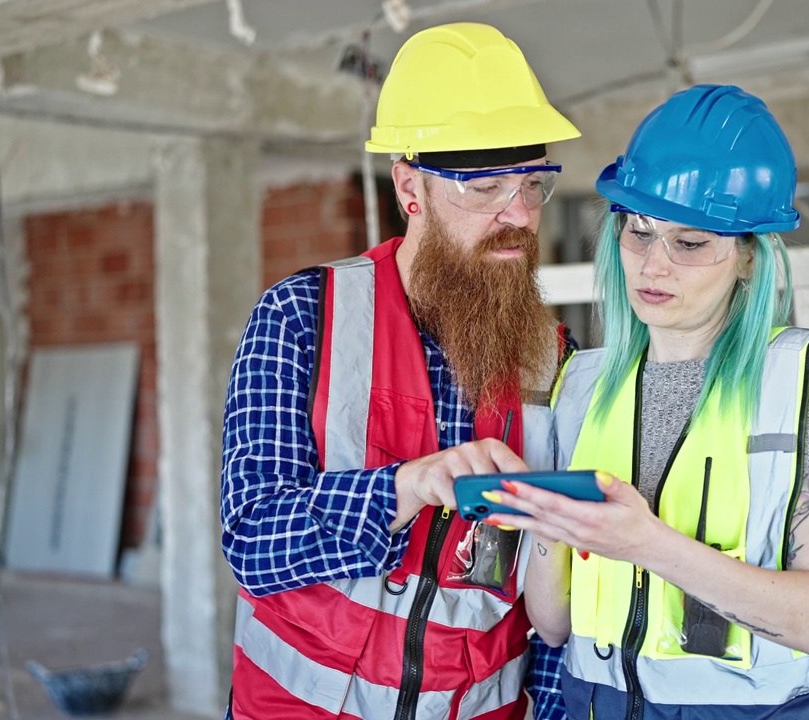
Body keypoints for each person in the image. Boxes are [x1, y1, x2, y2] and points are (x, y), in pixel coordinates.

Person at [480, 85, 809, 719]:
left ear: (750, 257)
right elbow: (554, 623)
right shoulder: (582, 385)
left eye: (691, 243)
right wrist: (543, 518)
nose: (653, 265)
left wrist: (646, 543)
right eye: (637, 232)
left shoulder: (800, 378)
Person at [219, 22, 581, 720]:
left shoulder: (552, 359)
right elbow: (253, 540)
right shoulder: (303, 318)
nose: (520, 216)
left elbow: (559, 605)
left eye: (534, 185)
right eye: (485, 188)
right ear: (411, 190)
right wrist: (404, 488)